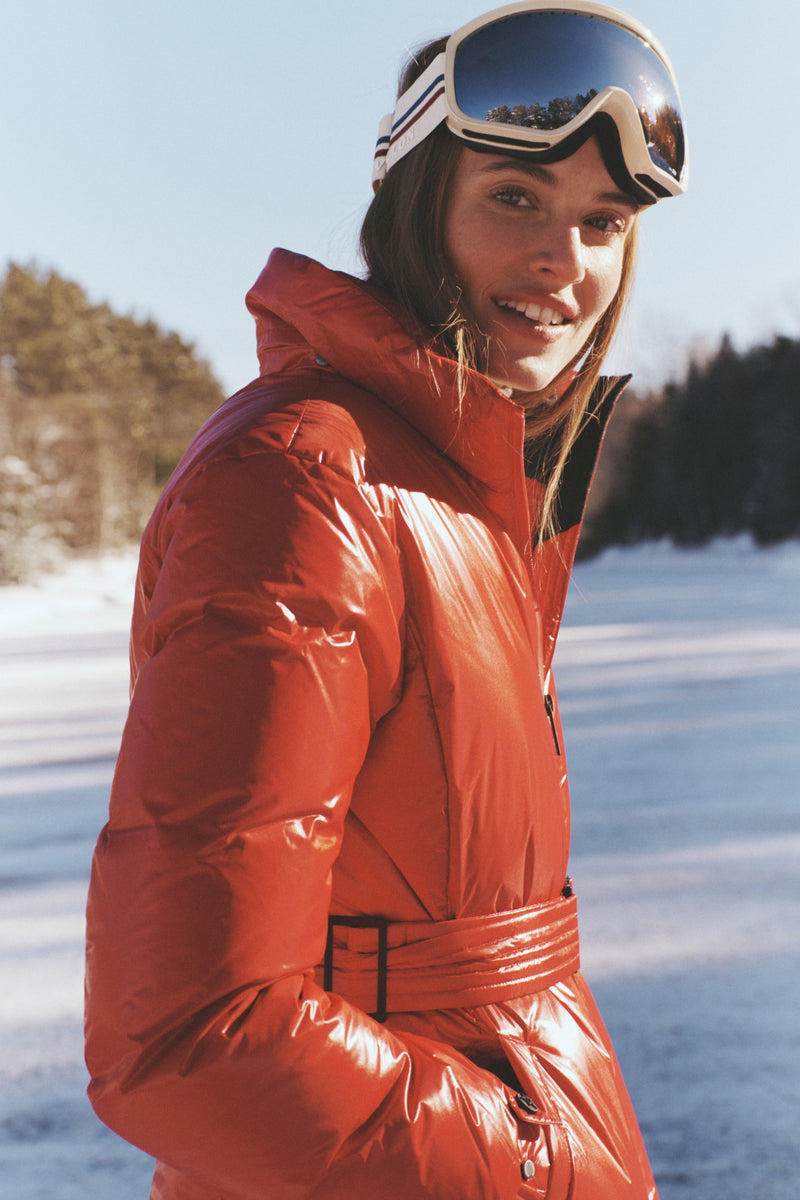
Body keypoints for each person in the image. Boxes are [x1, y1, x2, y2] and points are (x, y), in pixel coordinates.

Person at [85, 3, 688, 1197]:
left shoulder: (462, 493)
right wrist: (541, 1172)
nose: (564, 263)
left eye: (602, 222)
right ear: (417, 206)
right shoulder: (310, 481)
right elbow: (188, 1033)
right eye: (515, 199)